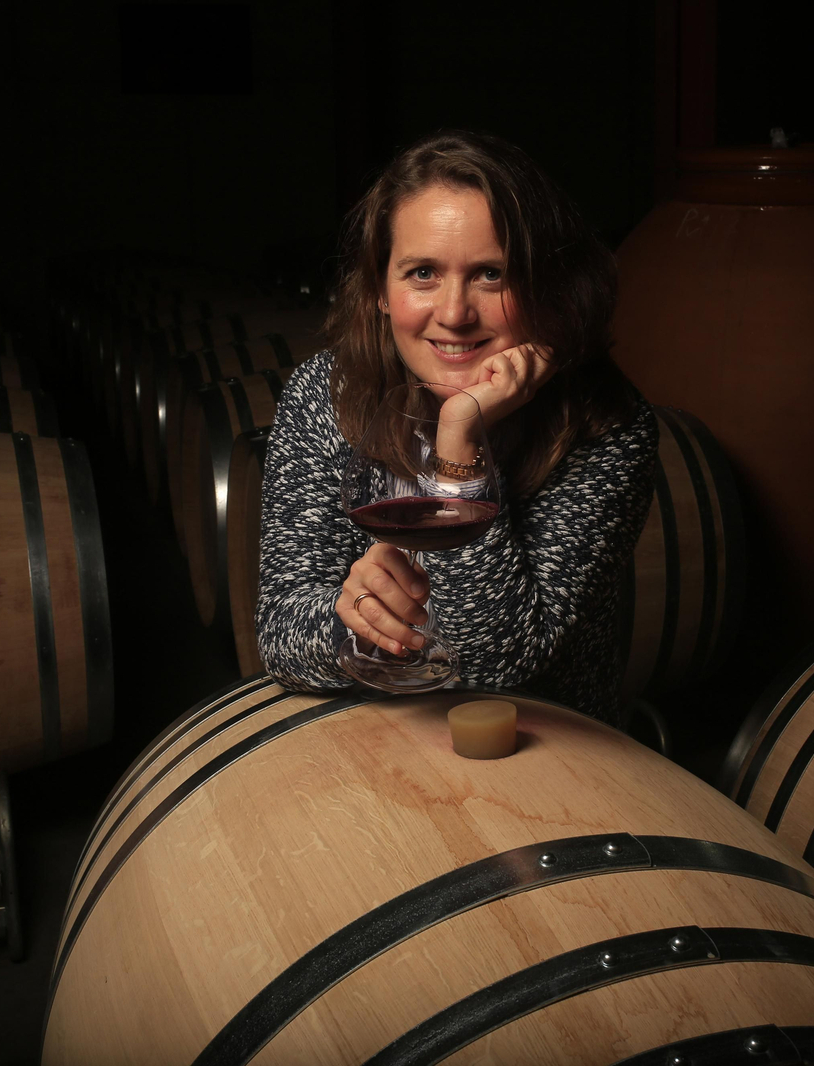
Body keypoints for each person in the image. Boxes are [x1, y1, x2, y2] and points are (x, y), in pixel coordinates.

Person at [254, 130, 658, 725]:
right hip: (371, 734)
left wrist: (459, 441)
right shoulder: (327, 392)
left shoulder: (607, 424)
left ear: (545, 285)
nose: (453, 314)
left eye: (491, 274)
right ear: (381, 291)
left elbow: (501, 664)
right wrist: (356, 619)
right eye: (422, 272)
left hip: (547, 749)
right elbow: (279, 634)